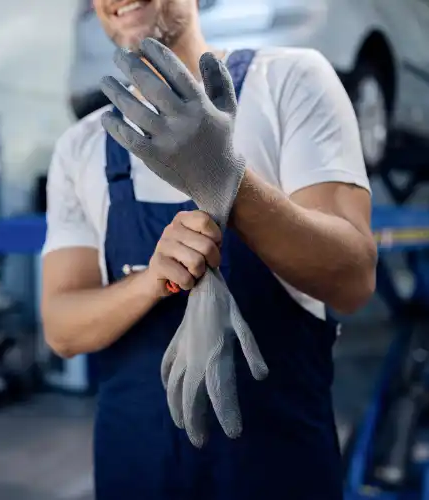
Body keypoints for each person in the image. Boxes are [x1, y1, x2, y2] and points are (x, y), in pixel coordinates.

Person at [41, 0, 378, 498]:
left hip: (280, 475)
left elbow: (352, 281)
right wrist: (154, 281)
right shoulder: (81, 146)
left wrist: (228, 181)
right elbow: (62, 328)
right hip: (135, 473)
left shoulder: (289, 82)